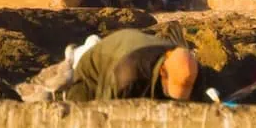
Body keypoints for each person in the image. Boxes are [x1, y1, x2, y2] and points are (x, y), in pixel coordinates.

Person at [61, 28, 202, 102]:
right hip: (94, 70)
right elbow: (106, 111)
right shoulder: (128, 76)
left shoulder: (185, 64)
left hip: (132, 51)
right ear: (163, 72)